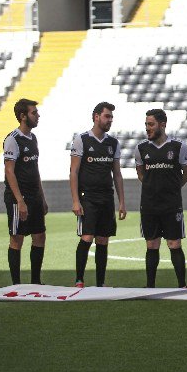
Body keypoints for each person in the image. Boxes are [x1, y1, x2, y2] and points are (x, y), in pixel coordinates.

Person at [70, 102, 126, 288]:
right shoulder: (82, 139)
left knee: (103, 239)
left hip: (106, 197)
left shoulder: (113, 143)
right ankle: (79, 279)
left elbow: (117, 174)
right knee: (87, 237)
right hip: (88, 197)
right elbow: (74, 172)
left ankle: (100, 283)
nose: (110, 120)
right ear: (96, 116)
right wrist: (76, 200)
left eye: (111, 117)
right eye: (107, 116)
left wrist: (121, 202)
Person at [134, 109, 187, 288]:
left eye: (150, 124)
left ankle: (182, 285)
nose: (147, 128)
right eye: (146, 125)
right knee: (151, 244)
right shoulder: (141, 148)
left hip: (171, 205)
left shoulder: (178, 146)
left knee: (174, 244)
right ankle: (150, 286)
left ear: (162, 124)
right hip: (149, 205)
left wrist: (172, 189)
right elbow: (141, 174)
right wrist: (155, 189)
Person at [3, 98, 48, 284]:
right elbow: (9, 171)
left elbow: (35, 169)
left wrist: (42, 196)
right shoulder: (12, 139)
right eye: (34, 113)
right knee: (17, 238)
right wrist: (20, 200)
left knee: (40, 236)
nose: (38, 116)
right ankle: (16, 284)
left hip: (35, 196)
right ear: (23, 116)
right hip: (18, 198)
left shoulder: (33, 138)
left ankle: (36, 281)